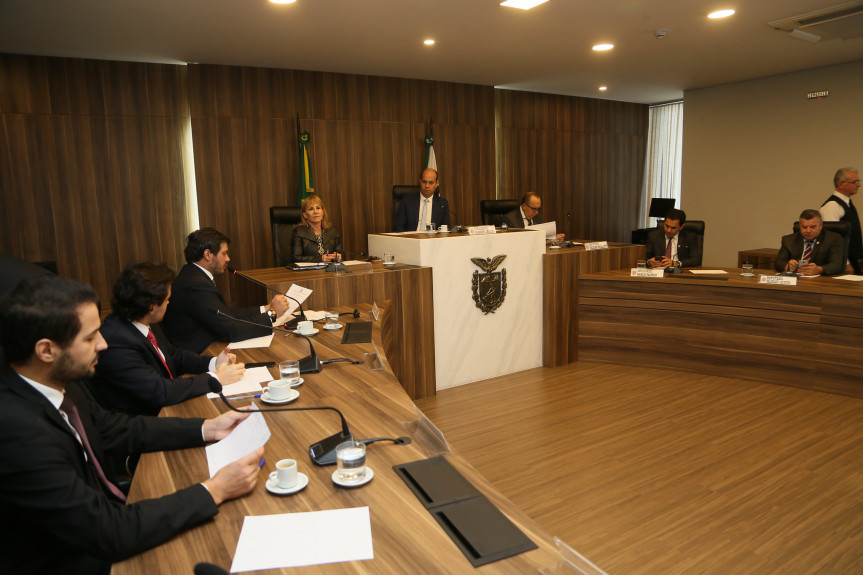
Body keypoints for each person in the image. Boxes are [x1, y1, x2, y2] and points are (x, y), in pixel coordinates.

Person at [0, 275, 264, 575]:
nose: (103, 344)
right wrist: (214, 489)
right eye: (89, 338)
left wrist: (208, 428)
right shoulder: (16, 431)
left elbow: (116, 428)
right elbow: (109, 531)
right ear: (46, 350)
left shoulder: (54, 382)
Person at [92, 262, 246, 417]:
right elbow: (159, 391)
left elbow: (173, 356)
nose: (168, 303)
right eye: (166, 300)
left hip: (168, 408)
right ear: (151, 307)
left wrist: (213, 363)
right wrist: (216, 378)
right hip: (148, 423)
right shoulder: (116, 341)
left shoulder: (142, 320)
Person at [162, 228, 289, 353]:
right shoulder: (195, 284)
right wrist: (273, 313)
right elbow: (231, 330)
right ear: (207, 255)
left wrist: (267, 308)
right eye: (224, 253)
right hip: (199, 354)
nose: (228, 258)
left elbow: (227, 314)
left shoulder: (193, 275)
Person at [775, 209, 844, 276]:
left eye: (812, 227)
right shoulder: (788, 240)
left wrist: (819, 269)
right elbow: (779, 263)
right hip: (796, 279)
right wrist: (788, 266)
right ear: (799, 226)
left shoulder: (832, 239)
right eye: (804, 227)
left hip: (820, 282)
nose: (808, 231)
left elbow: (837, 265)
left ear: (820, 226)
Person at [820, 167, 861, 274]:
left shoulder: (848, 203)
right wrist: (846, 263)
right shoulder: (832, 206)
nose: (859, 185)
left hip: (852, 262)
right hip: (842, 266)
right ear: (841, 184)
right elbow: (832, 238)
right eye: (855, 182)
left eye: (858, 181)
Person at [285, 194, 343, 264]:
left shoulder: (332, 230)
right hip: (309, 272)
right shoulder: (299, 232)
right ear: (305, 215)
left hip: (330, 270)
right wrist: (319, 259)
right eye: (311, 209)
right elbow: (296, 258)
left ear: (323, 212)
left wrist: (339, 257)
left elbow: (341, 253)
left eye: (318, 208)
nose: (315, 212)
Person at [393, 168, 451, 232]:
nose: (427, 186)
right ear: (420, 181)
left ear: (437, 183)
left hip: (432, 239)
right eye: (424, 182)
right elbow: (398, 226)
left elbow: (446, 228)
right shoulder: (407, 201)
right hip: (412, 239)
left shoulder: (442, 204)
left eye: (431, 183)